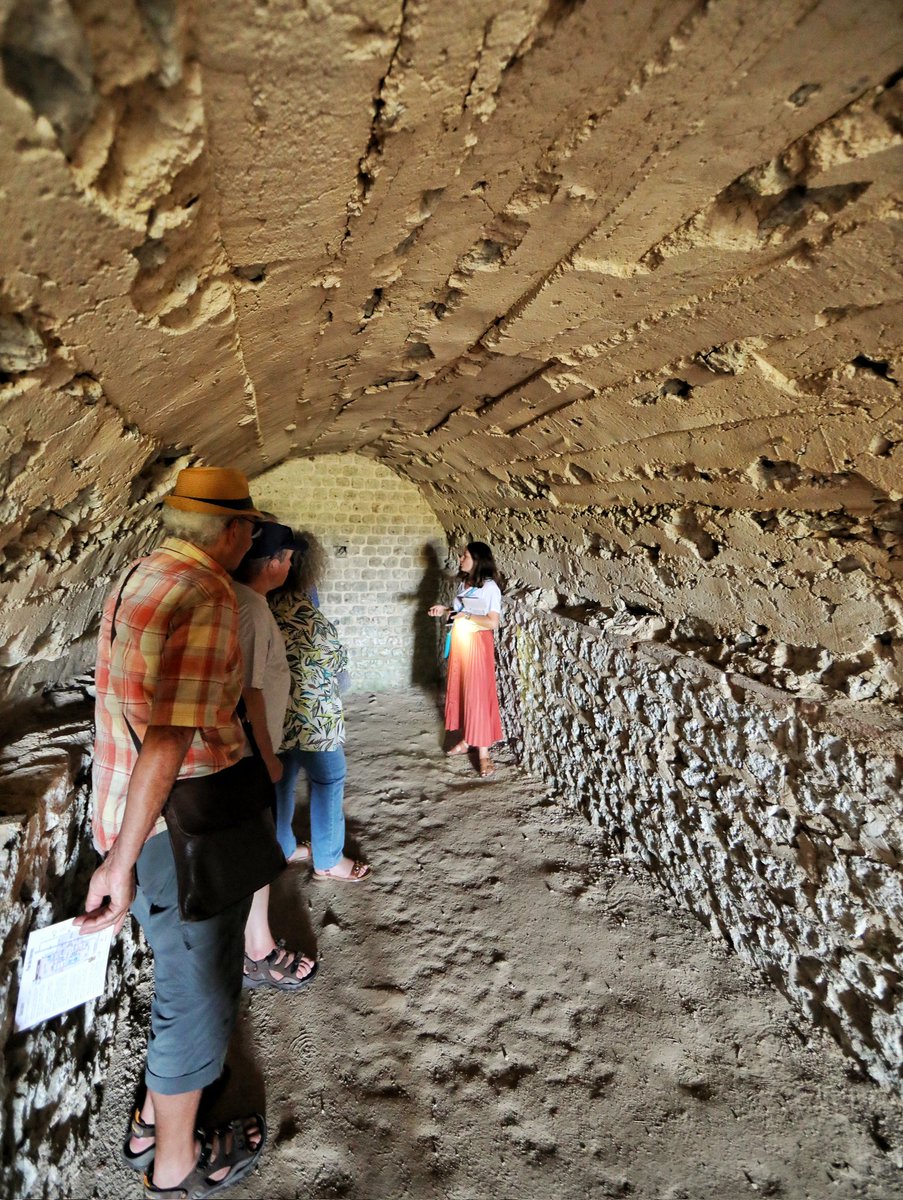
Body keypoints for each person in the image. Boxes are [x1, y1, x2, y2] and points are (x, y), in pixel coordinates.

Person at [76, 466, 268, 1199]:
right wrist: (121, 864)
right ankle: (177, 1164)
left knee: (184, 977)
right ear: (226, 530)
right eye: (248, 525)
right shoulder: (208, 594)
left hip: (127, 811)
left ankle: (153, 1125)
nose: (250, 537)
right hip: (173, 835)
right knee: (196, 992)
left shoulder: (138, 574)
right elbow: (168, 738)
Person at [232, 522, 319, 987]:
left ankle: (253, 944)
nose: (290, 566)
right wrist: (266, 755)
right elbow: (246, 690)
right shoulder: (248, 610)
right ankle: (257, 952)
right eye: (287, 558)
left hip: (248, 750)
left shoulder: (251, 605)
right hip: (246, 753)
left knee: (257, 849)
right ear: (272, 564)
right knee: (257, 851)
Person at [270, 535, 371, 882]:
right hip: (316, 719)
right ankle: (328, 860)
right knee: (329, 781)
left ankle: (283, 849)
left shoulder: (260, 610)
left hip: (273, 718)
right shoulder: (310, 616)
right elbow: (340, 673)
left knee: (280, 785)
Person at [429, 541, 504, 777]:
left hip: (478, 645)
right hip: (462, 642)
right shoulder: (465, 583)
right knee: (463, 692)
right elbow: (459, 613)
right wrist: (443, 610)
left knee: (478, 695)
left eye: (465, 556)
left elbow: (492, 622)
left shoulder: (490, 588)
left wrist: (467, 615)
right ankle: (467, 737)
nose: (461, 559)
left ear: (478, 560)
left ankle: (484, 753)